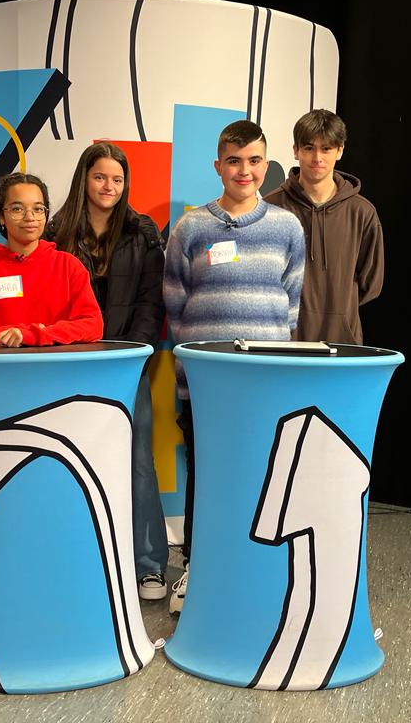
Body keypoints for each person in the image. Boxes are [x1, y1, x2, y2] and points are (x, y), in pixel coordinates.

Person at [163, 120, 305, 615]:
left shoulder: (287, 228)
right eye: (234, 161)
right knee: (205, 476)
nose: (244, 171)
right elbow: (175, 302)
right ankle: (196, 569)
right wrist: (191, 368)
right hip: (206, 384)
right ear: (218, 166)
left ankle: (254, 569)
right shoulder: (190, 228)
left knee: (261, 475)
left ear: (266, 165)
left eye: (254, 161)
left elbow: (291, 305)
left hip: (265, 382)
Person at [45, 142, 169, 602]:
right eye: (100, 177)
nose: (108, 187)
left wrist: (131, 353)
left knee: (138, 464)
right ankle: (80, 558)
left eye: (117, 179)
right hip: (69, 364)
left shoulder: (142, 232)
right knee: (69, 462)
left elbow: (151, 301)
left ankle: (149, 565)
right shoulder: (55, 232)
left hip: (127, 364)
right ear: (84, 178)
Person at [0, 173, 103, 347]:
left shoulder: (69, 266)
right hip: (0, 364)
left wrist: (34, 335)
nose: (30, 217)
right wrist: (5, 336)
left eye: (38, 209)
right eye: (17, 209)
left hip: (56, 363)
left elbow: (93, 325)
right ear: (1, 216)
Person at [263, 109, 383, 344]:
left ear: (340, 151)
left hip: (342, 341)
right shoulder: (271, 208)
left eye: (326, 148)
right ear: (296, 150)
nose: (317, 157)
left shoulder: (362, 212)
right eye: (309, 148)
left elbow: (371, 284)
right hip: (282, 341)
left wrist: (339, 312)